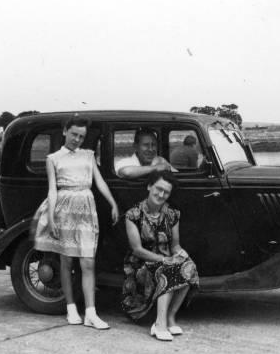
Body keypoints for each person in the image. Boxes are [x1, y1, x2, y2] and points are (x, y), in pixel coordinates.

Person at [31, 117, 119, 329]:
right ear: (65, 132)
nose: (77, 140)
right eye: (74, 135)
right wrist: (51, 217)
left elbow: (99, 182)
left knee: (88, 262)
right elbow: (52, 189)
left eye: (81, 136)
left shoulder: (88, 155)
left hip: (86, 210)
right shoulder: (53, 158)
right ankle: (71, 308)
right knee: (67, 262)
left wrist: (113, 203)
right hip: (64, 210)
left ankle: (91, 313)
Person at [121, 170, 199, 341]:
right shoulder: (133, 214)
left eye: (166, 192)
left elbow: (175, 245)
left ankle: (171, 317)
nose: (161, 194)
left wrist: (181, 254)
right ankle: (159, 323)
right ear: (149, 186)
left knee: (189, 266)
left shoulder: (172, 214)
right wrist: (165, 260)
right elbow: (137, 249)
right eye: (158, 189)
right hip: (140, 265)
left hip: (165, 260)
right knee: (169, 269)